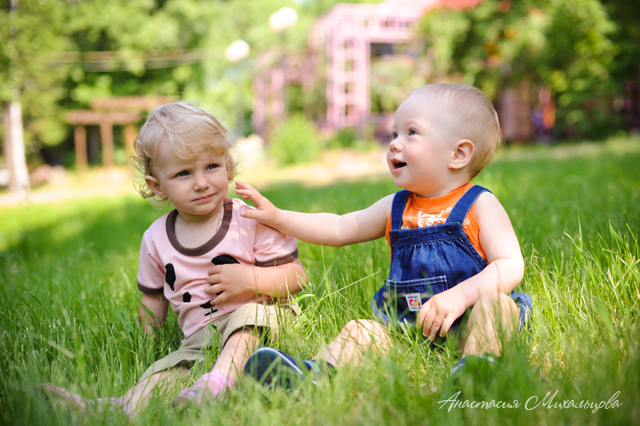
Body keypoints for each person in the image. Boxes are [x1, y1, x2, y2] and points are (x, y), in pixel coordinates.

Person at [237, 83, 531, 386]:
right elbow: (339, 227)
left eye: (411, 132)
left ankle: (477, 370)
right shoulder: (396, 207)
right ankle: (315, 376)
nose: (394, 144)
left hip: (469, 325)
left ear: (458, 154)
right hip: (408, 331)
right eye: (394, 134)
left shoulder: (480, 204)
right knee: (360, 330)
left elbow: (510, 265)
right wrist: (279, 217)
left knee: (497, 307)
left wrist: (460, 297)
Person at [40, 102, 307, 415]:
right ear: (158, 186)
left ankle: (217, 384)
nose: (202, 182)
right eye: (183, 173)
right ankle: (116, 409)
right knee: (167, 372)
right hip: (201, 339)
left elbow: (297, 276)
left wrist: (251, 279)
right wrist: (148, 343)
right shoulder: (156, 239)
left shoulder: (249, 219)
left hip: (263, 322)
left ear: (227, 165)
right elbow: (153, 299)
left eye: (211, 166)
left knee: (248, 319)